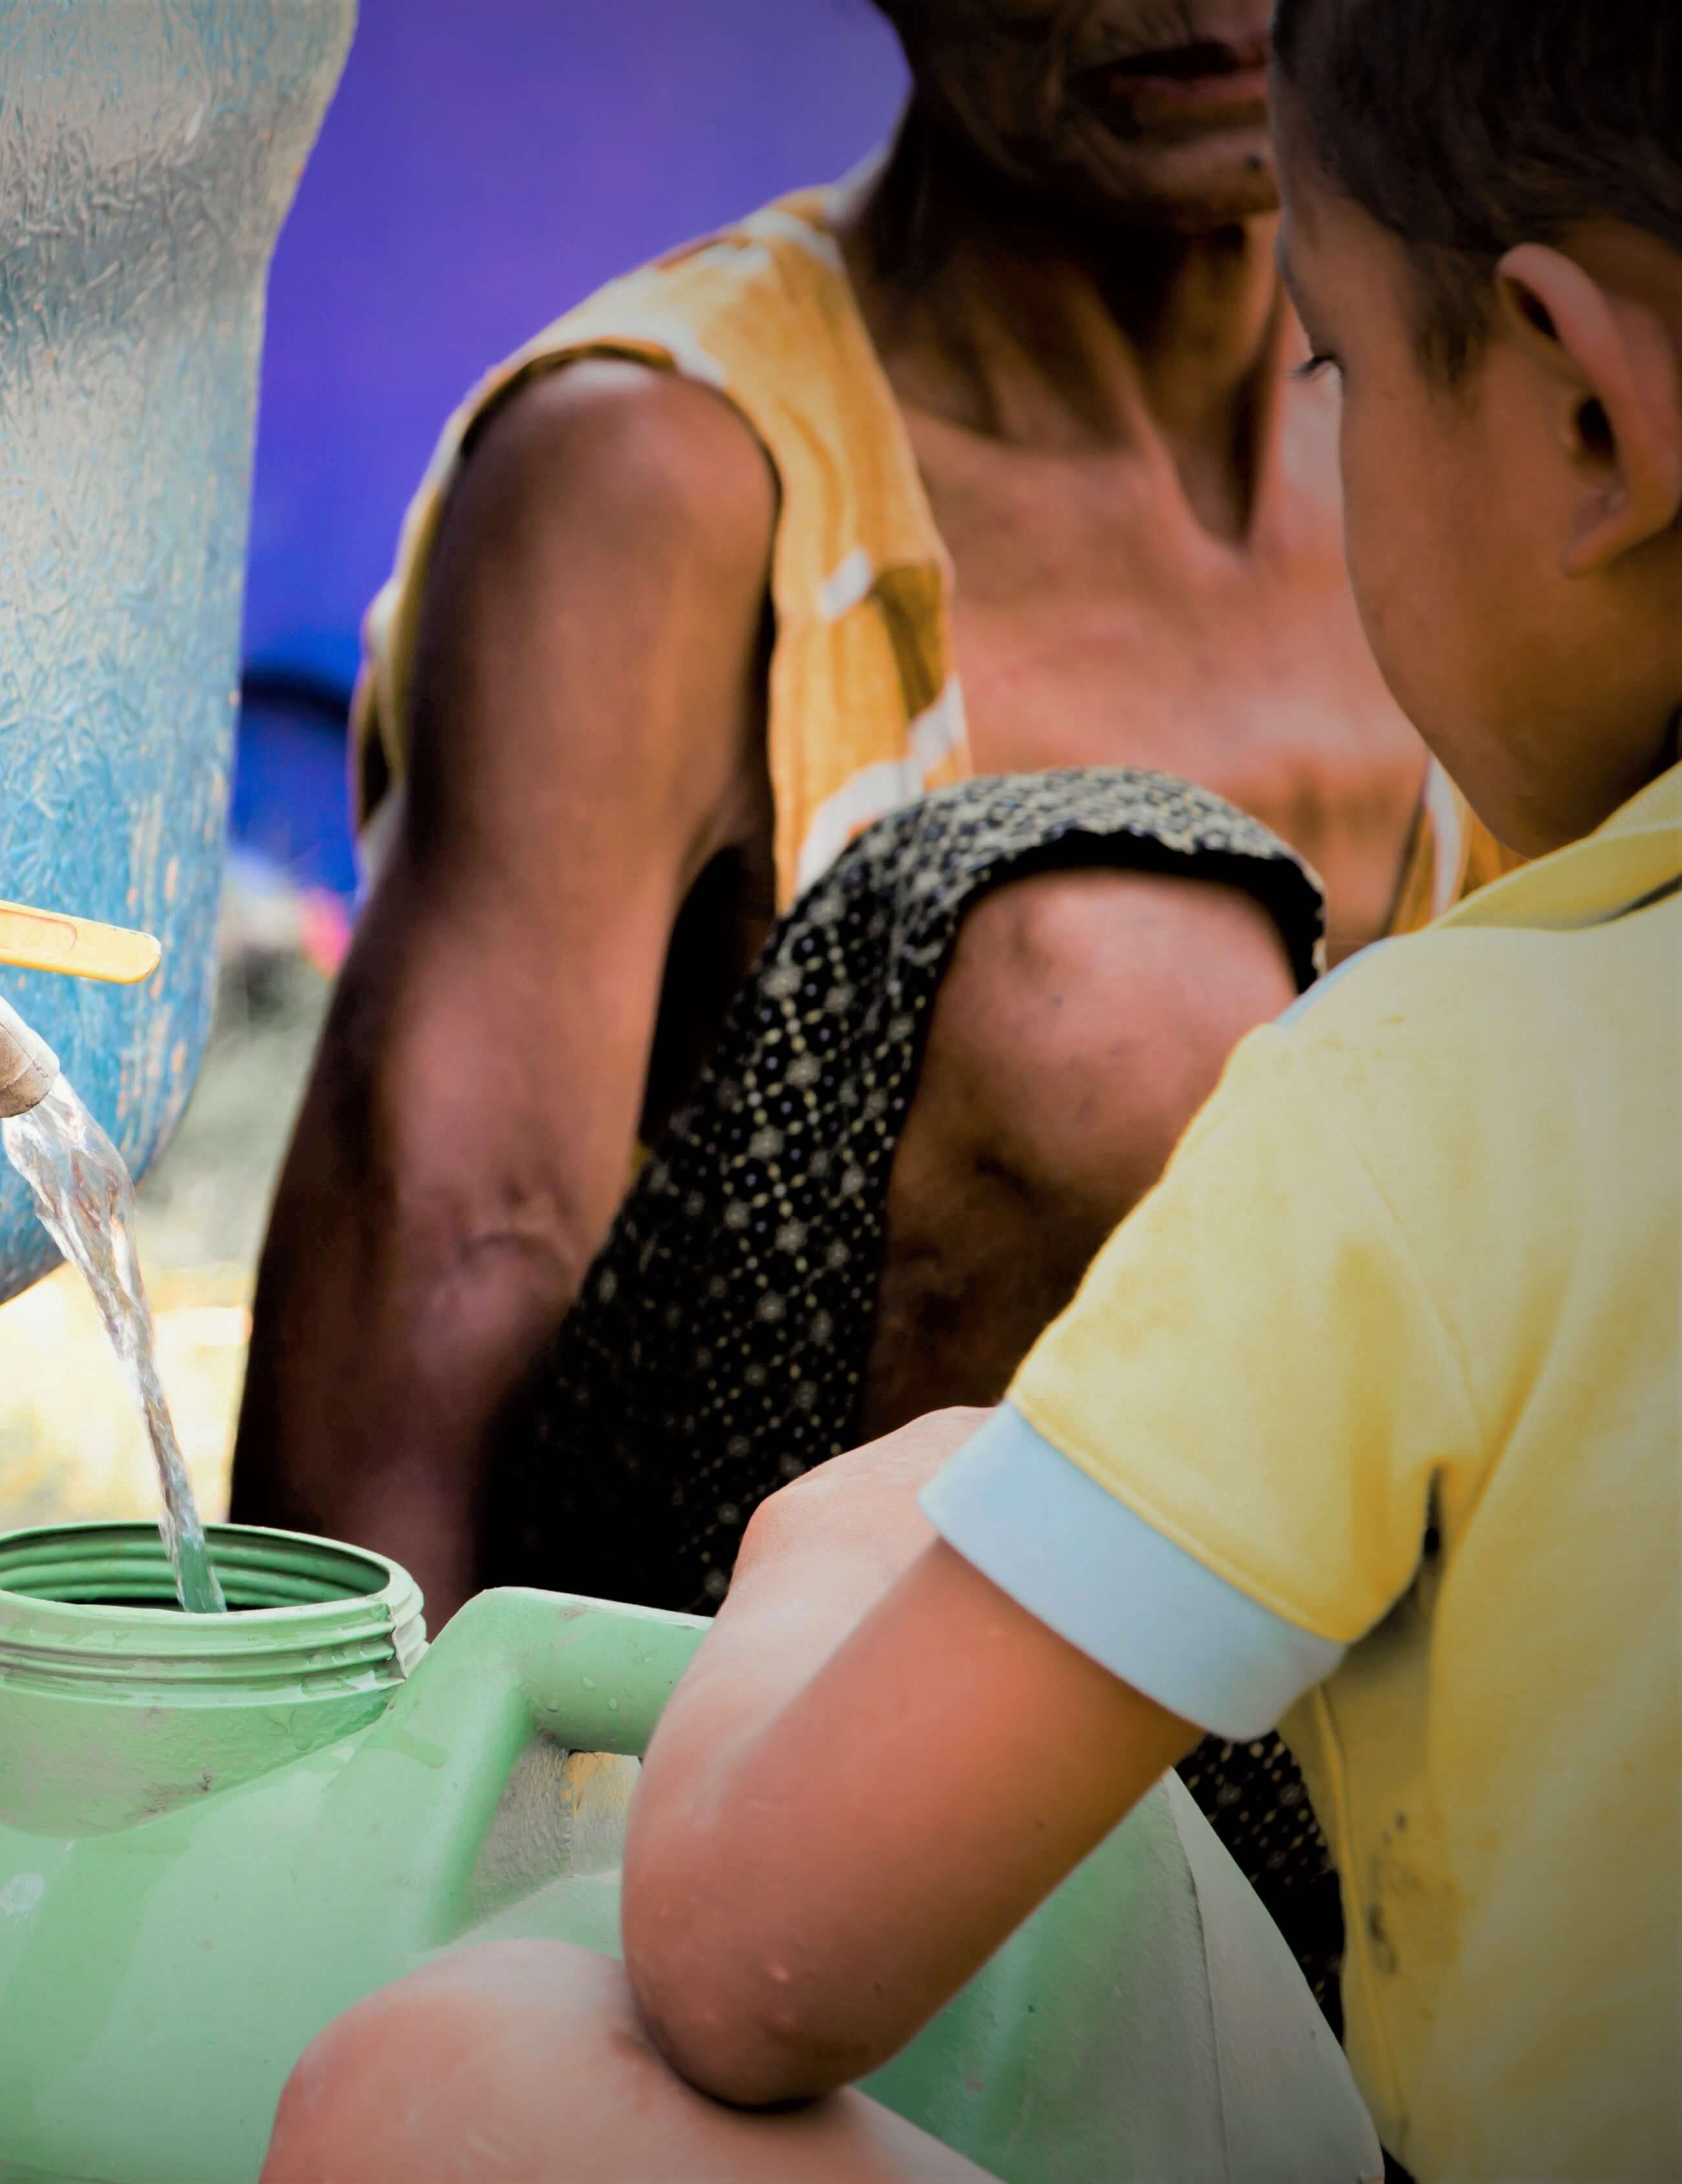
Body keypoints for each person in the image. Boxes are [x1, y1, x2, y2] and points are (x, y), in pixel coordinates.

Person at [263, 1, 1681, 2175]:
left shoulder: (1465, 411)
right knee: (1128, 996)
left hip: (1277, 1797)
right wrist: (297, 1939)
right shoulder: (670, 464)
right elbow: (443, 1300)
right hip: (766, 1735)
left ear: (1597, 411)